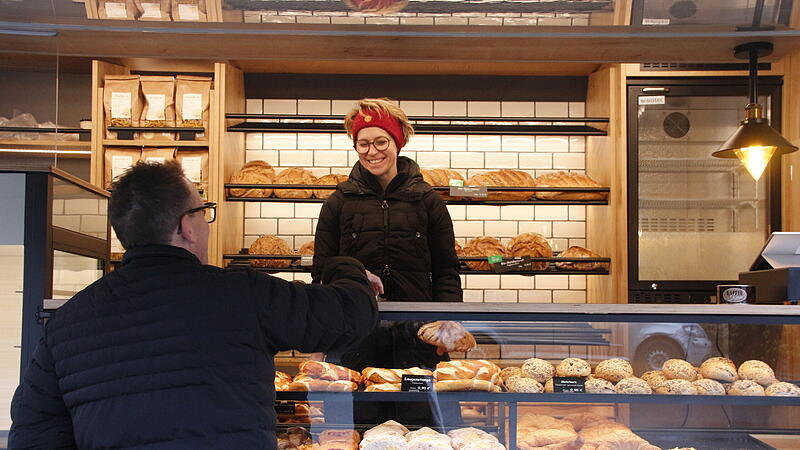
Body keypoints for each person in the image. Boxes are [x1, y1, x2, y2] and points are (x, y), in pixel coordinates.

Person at [9, 161, 381, 449]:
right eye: (204, 212)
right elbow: (350, 316)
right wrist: (343, 266)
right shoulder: (240, 293)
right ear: (186, 227)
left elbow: (35, 435)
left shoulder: (67, 322)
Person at [312, 98, 466, 428]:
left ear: (397, 142)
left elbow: (446, 269)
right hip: (356, 339)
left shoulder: (427, 201)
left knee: (424, 433)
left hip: (417, 342)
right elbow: (322, 270)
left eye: (381, 141)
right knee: (357, 432)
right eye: (363, 143)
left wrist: (448, 322)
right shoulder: (338, 203)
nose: (372, 151)